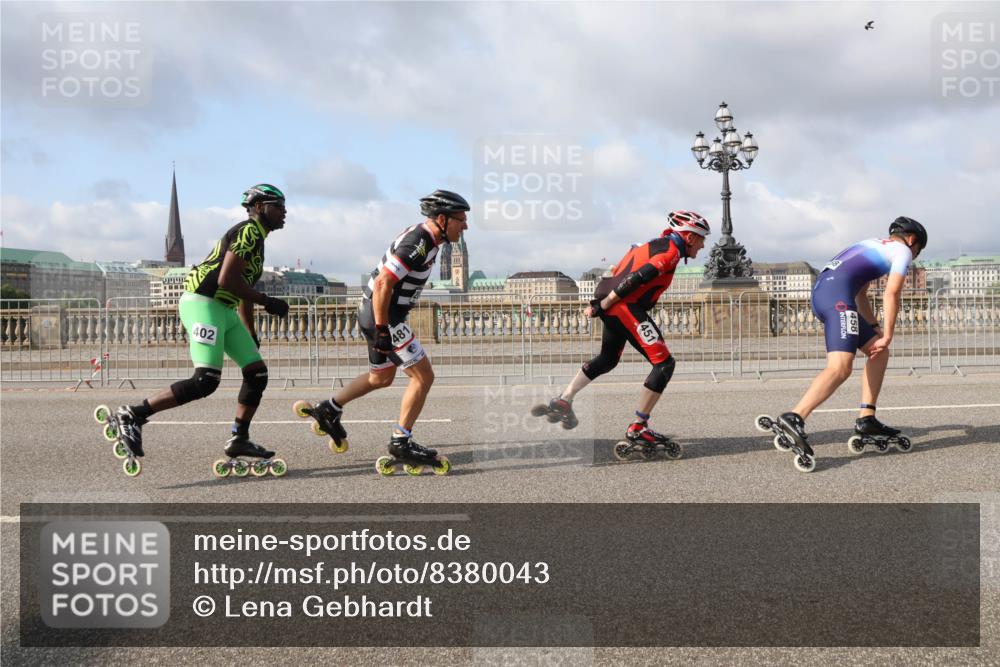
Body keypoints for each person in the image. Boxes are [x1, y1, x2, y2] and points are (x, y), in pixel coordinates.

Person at [105, 184, 291, 474]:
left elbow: (243, 288)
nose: (284, 211)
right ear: (259, 208)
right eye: (278, 205)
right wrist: (268, 302)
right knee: (205, 380)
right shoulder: (248, 231)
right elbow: (226, 280)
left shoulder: (258, 239)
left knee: (257, 373)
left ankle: (239, 439)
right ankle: (133, 415)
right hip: (204, 303)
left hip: (225, 310)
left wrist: (250, 330)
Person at [303, 189, 469, 473]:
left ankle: (329, 409)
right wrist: (382, 329)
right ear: (442, 219)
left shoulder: (430, 240)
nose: (464, 226)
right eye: (461, 220)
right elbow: (383, 283)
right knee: (423, 376)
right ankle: (400, 441)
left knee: (380, 378)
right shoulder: (419, 241)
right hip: (385, 315)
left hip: (380, 312)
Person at [533, 211, 711, 453]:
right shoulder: (669, 254)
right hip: (625, 307)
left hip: (616, 306)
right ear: (690, 237)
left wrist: (603, 300)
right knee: (664, 364)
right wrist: (603, 305)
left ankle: (564, 399)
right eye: (701, 240)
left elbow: (618, 268)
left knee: (607, 359)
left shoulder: (649, 244)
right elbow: (635, 279)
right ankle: (639, 426)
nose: (702, 246)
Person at [774, 216, 928, 455]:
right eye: (918, 250)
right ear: (911, 240)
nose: (915, 255)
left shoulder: (874, 244)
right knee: (841, 368)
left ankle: (867, 418)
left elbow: (861, 295)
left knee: (878, 350)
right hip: (837, 300)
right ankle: (794, 417)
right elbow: (892, 294)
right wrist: (888, 333)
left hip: (828, 294)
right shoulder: (902, 251)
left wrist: (875, 328)